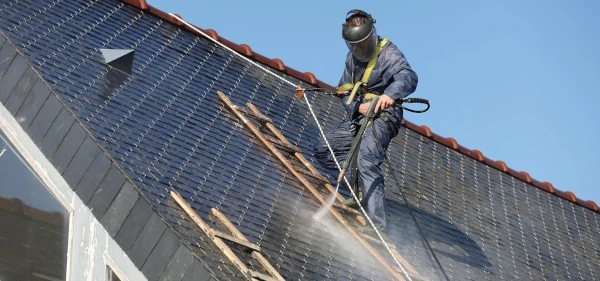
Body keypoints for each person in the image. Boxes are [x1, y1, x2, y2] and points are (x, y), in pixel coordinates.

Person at [312, 9, 418, 235]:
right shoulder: (352, 58)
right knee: (323, 149)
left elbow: (408, 76)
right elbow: (344, 90)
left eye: (362, 44)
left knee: (368, 160)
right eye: (354, 46)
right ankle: (358, 189)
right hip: (361, 115)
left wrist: (390, 95)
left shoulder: (389, 53)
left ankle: (377, 227)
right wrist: (355, 107)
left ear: (371, 35)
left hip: (384, 116)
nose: (359, 49)